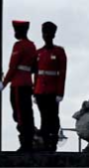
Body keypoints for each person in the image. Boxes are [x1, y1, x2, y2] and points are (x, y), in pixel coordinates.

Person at [0, 20, 37, 152]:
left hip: (18, 84)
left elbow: (13, 67)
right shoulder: (31, 46)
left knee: (19, 114)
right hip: (27, 83)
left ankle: (25, 143)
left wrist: (3, 84)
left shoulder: (19, 46)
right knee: (27, 113)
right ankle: (29, 140)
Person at [33, 21, 67, 152]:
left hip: (53, 91)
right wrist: (34, 91)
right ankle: (46, 141)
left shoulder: (59, 52)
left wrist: (60, 93)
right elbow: (36, 74)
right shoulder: (38, 52)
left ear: (53, 35)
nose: (46, 35)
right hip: (40, 90)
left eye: (49, 33)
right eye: (45, 33)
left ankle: (52, 141)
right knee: (43, 117)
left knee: (53, 116)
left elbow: (62, 74)